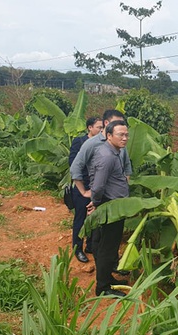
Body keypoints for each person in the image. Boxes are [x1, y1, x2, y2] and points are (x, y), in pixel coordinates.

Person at [70, 110, 132, 272]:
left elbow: (126, 167)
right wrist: (84, 191)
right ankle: (78, 248)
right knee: (82, 220)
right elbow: (76, 166)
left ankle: (102, 260)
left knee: (100, 234)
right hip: (91, 189)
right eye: (117, 125)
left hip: (108, 195)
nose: (123, 134)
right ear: (107, 125)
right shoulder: (92, 144)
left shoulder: (120, 145)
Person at [88, 120, 130, 297]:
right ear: (109, 135)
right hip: (109, 206)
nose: (125, 138)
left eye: (127, 134)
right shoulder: (107, 156)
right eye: (120, 134)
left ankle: (107, 280)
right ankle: (103, 287)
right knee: (108, 247)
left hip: (112, 204)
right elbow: (98, 186)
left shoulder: (112, 152)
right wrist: (96, 203)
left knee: (108, 246)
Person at [68, 116, 103, 263]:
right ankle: (78, 248)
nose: (101, 130)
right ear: (89, 128)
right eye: (98, 127)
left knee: (94, 217)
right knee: (81, 217)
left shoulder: (102, 143)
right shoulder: (80, 142)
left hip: (96, 186)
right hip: (82, 186)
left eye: (102, 128)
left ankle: (90, 245)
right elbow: (73, 163)